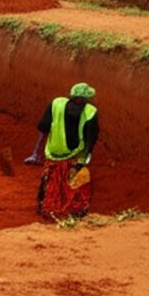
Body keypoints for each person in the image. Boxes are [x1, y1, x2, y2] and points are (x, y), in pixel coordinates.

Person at [32, 82, 100, 220]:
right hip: (75, 155)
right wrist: (84, 161)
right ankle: (76, 211)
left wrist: (36, 152)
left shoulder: (56, 104)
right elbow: (90, 139)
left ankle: (44, 206)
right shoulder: (90, 112)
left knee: (49, 180)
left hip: (53, 153)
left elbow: (43, 128)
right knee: (78, 183)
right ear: (87, 99)